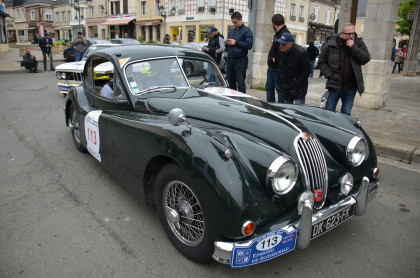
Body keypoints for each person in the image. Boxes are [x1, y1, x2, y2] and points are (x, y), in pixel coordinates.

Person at [318, 23, 370, 116]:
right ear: (341, 34)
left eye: (352, 33)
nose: (351, 36)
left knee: (346, 113)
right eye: (348, 34)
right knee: (329, 112)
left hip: (351, 86)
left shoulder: (358, 43)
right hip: (335, 85)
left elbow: (365, 59)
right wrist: (330, 75)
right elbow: (322, 62)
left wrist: (353, 47)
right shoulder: (331, 44)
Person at [277, 32, 310, 104]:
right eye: (280, 43)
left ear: (291, 44)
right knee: (287, 110)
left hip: (299, 88)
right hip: (287, 87)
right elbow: (281, 66)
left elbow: (306, 71)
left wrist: (296, 83)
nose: (281, 46)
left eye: (283, 44)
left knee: (298, 111)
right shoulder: (281, 50)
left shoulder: (301, 53)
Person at [225, 12, 253, 93]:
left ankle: (241, 102)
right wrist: (227, 43)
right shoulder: (231, 31)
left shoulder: (247, 31)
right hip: (230, 60)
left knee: (240, 84)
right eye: (232, 22)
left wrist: (236, 42)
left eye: (235, 22)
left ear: (240, 19)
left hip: (240, 61)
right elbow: (227, 44)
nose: (234, 24)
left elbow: (249, 45)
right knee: (231, 84)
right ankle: (233, 102)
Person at [266, 14, 289, 103]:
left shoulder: (285, 33)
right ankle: (270, 107)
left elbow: (287, 50)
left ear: (273, 23)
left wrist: (277, 58)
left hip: (278, 68)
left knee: (279, 90)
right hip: (272, 68)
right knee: (269, 88)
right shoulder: (279, 33)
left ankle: (279, 109)